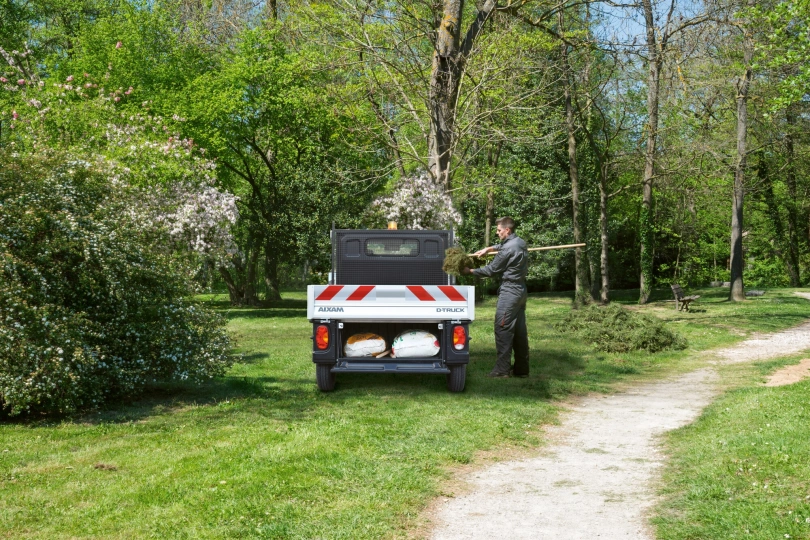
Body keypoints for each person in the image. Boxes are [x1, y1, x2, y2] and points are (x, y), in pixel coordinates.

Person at [462, 217, 530, 378]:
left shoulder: (508, 249)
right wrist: (489, 248)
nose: (497, 233)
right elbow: (504, 246)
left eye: (499, 230)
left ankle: (501, 370)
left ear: (507, 230)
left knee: (503, 328)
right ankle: (522, 370)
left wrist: (469, 272)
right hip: (521, 291)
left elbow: (491, 270)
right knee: (520, 331)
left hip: (510, 292)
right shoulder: (520, 242)